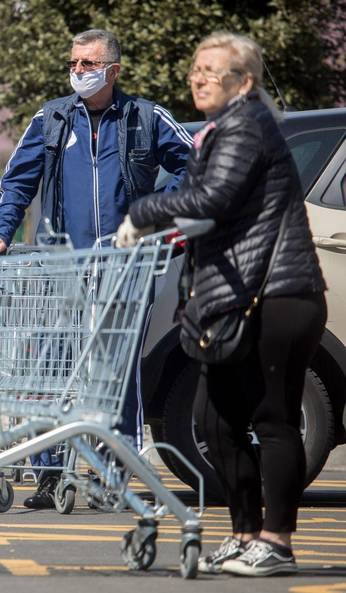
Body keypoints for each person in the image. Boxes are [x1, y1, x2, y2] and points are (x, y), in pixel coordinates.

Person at [117, 32, 326, 577]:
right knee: (215, 422)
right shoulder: (219, 129)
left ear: (244, 83)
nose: (199, 77)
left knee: (273, 419)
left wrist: (143, 211)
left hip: (279, 293)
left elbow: (214, 197)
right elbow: (213, 214)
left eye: (213, 70)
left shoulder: (247, 125)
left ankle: (276, 543)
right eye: (196, 68)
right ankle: (243, 533)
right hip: (234, 298)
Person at [0, 28, 193, 510]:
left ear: (112, 70)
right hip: (61, 270)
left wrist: (154, 212)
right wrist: (1, 231)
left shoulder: (146, 117)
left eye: (88, 64)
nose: (78, 71)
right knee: (53, 367)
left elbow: (195, 165)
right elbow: (17, 182)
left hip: (125, 269)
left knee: (116, 373)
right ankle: (50, 472)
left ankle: (112, 475)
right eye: (74, 63)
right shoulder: (52, 117)